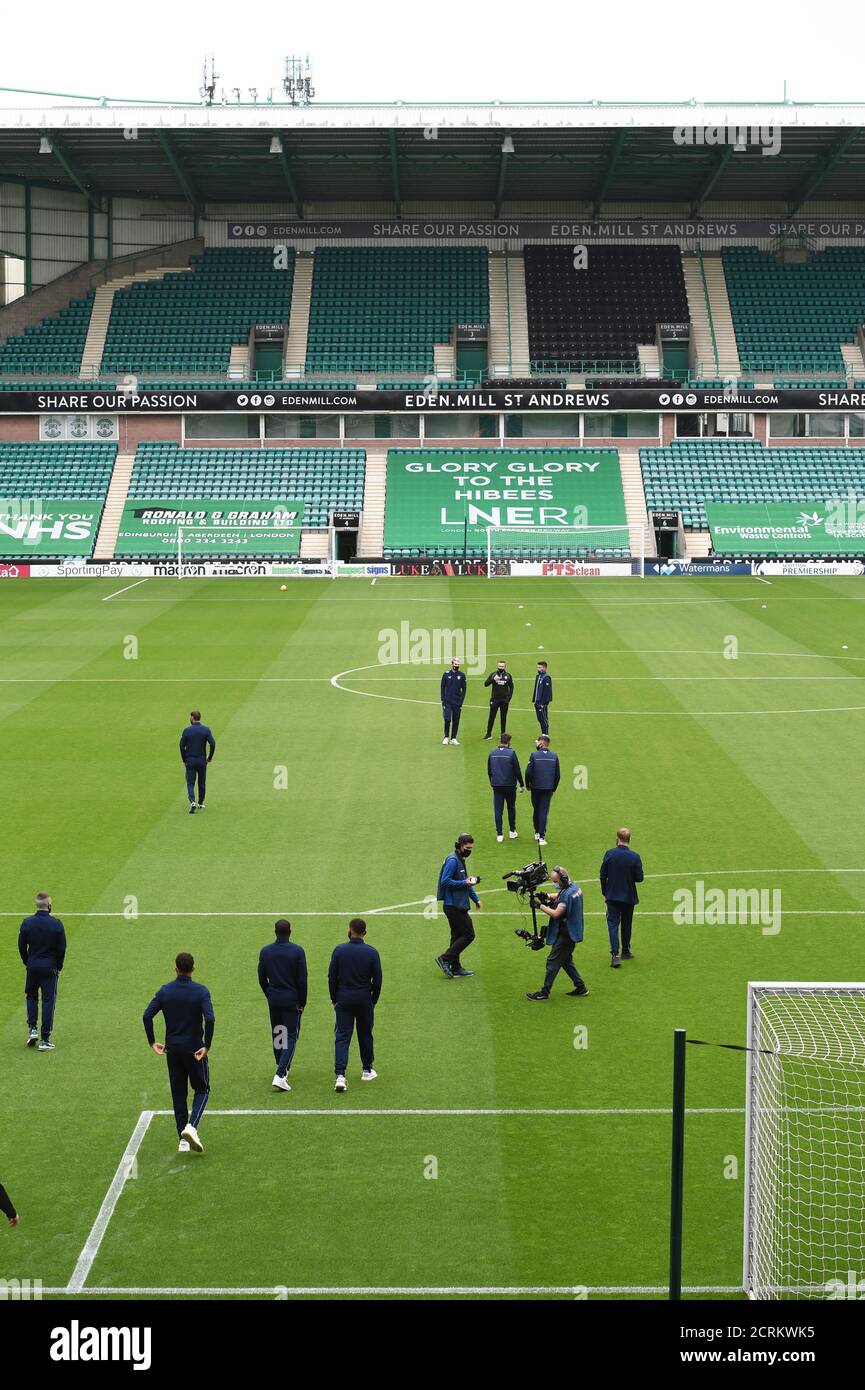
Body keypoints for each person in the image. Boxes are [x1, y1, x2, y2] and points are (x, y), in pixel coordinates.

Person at [143, 952, 214, 1153]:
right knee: (202, 1089)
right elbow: (210, 1019)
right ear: (194, 968)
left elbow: (147, 1015)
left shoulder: (165, 991)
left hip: (172, 1050)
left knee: (178, 1093)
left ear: (176, 969)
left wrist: (152, 1041)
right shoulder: (201, 991)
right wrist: (206, 1045)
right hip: (194, 1050)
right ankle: (191, 1127)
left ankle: (182, 1140)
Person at [328, 919, 382, 1092]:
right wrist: (373, 1000)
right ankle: (367, 1070)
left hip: (343, 998)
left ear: (350, 930)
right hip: (364, 999)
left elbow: (332, 977)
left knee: (342, 1036)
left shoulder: (339, 951)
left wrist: (334, 998)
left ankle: (340, 1075)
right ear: (364, 932)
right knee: (365, 1034)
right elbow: (378, 980)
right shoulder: (372, 952)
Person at [526, 866, 589, 1001]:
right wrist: (547, 896)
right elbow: (562, 894)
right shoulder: (575, 888)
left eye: (556, 882)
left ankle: (544, 992)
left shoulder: (566, 895)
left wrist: (540, 906)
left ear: (562, 879)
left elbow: (556, 914)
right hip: (572, 930)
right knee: (566, 961)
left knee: (552, 961)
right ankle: (581, 987)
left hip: (567, 933)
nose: (555, 884)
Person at [258, 919, 307, 1092]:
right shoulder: (297, 951)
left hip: (274, 999)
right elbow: (302, 980)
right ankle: (280, 1074)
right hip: (291, 999)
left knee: (278, 1032)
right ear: (290, 932)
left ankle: (281, 1063)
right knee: (291, 1035)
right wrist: (303, 1001)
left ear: (275, 932)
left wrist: (269, 994)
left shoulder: (266, 951)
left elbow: (262, 979)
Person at [18, 892, 66, 1052]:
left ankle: (32, 1029)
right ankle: (45, 1039)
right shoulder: (56, 924)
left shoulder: (27, 923)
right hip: (49, 967)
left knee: (31, 997)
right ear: (49, 905)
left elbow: (21, 946)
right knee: (48, 1001)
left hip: (32, 967)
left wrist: (28, 961)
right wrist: (58, 966)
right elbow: (62, 948)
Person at [435, 833, 482, 978]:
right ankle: (445, 958)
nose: (469, 850)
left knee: (456, 936)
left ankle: (455, 967)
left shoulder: (460, 859)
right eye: (467, 848)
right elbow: (445, 881)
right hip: (453, 906)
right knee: (468, 934)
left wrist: (475, 898)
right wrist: (464, 883)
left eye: (471, 848)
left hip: (457, 904)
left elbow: (466, 881)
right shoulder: (453, 861)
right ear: (460, 846)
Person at [600, 827, 645, 968]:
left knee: (613, 924)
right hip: (628, 896)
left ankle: (615, 955)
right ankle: (626, 951)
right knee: (627, 923)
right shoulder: (635, 857)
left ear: (617, 838)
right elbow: (640, 878)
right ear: (629, 839)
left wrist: (605, 892)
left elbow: (602, 875)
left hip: (612, 895)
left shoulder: (609, 854)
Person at [487, 732, 524, 842]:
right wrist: (521, 784)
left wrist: (492, 782)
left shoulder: (492, 753)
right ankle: (512, 831)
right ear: (508, 742)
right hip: (510, 786)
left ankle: (499, 834)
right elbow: (517, 770)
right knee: (511, 808)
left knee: (498, 810)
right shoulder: (512, 753)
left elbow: (489, 771)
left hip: (497, 785)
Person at [525, 735, 560, 846]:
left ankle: (537, 832)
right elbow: (557, 775)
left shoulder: (534, 755)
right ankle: (541, 836)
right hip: (548, 788)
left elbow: (528, 772)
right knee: (543, 811)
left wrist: (528, 785)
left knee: (536, 809)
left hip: (535, 788)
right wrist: (553, 788)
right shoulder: (554, 756)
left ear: (541, 743)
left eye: (537, 742)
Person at [179, 710, 216, 814]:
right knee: (201, 781)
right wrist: (209, 758)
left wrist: (184, 759)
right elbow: (212, 744)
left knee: (190, 782)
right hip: (201, 760)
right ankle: (200, 802)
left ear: (192, 718)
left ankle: (192, 801)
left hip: (190, 760)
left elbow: (181, 746)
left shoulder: (187, 731)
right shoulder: (205, 730)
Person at [483, 661, 514, 741]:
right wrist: (493, 679)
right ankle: (488, 734)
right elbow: (486, 684)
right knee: (491, 717)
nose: (500, 668)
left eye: (502, 666)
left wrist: (509, 698)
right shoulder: (493, 674)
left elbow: (511, 687)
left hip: (504, 700)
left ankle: (503, 734)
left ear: (505, 667)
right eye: (499, 666)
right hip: (494, 700)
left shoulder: (508, 676)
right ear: (497, 666)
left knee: (503, 717)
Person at [440, 657, 467, 745]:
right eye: (455, 664)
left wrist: (461, 701)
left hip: (457, 702)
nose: (457, 666)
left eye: (458, 665)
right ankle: (446, 737)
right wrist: (443, 700)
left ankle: (453, 738)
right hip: (447, 702)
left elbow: (464, 689)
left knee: (456, 720)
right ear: (452, 664)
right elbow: (442, 687)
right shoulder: (446, 674)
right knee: (447, 719)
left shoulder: (462, 675)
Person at [532, 660, 553, 736]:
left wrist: (544, 703)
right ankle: (543, 734)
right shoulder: (538, 677)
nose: (538, 669)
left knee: (544, 719)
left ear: (544, 668)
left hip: (542, 703)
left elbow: (548, 692)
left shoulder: (546, 678)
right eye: (537, 667)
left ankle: (545, 735)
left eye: (540, 667)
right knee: (540, 719)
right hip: (537, 702)